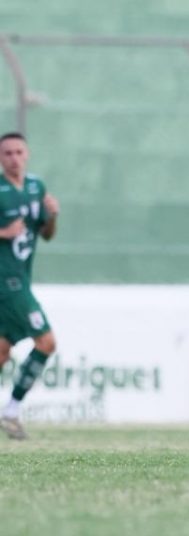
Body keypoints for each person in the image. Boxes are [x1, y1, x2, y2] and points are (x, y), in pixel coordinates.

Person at [0, 132, 59, 440]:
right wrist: (3, 233)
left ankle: (10, 413)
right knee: (46, 342)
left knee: (1, 351)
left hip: (20, 278)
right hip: (7, 281)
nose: (14, 158)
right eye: (7, 153)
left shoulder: (36, 188)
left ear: (27, 154)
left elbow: (47, 235)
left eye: (18, 152)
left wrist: (52, 216)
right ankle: (11, 411)